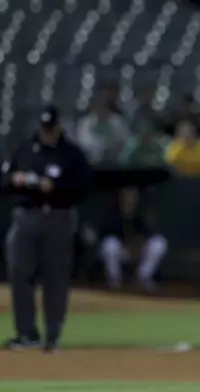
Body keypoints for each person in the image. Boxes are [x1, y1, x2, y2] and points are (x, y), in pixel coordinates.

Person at [0, 105, 91, 353]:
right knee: (19, 272)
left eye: (51, 128)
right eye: (44, 127)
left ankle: (52, 335)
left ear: (59, 126)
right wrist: (17, 180)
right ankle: (26, 333)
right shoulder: (25, 148)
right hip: (26, 215)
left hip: (58, 217)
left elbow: (84, 187)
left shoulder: (72, 154)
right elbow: (5, 181)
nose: (47, 132)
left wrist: (56, 187)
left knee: (55, 278)